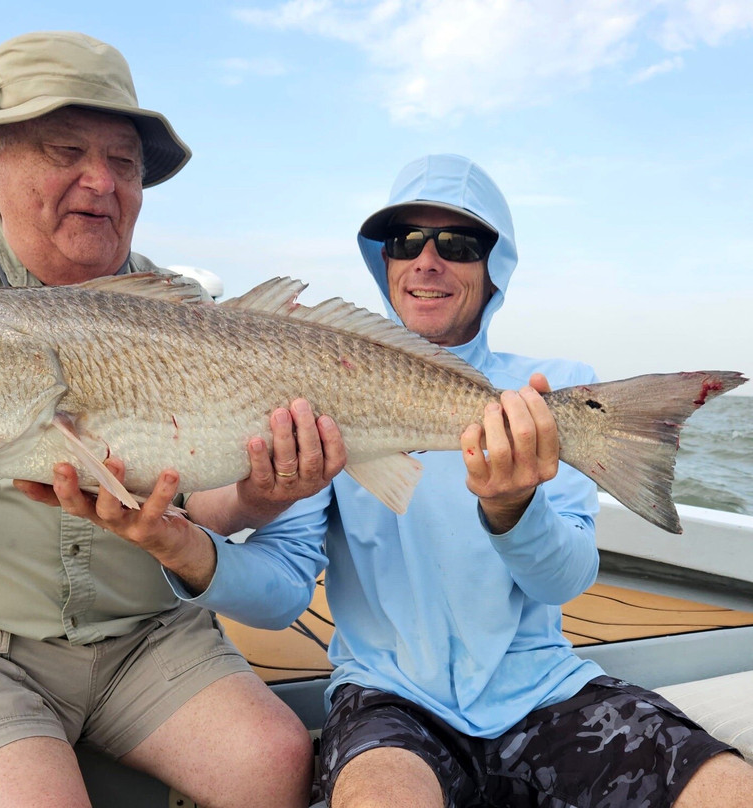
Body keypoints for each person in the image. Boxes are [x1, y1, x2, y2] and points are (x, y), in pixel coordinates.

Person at [0, 31, 344, 808]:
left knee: (275, 762)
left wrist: (264, 495)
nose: (99, 182)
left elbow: (196, 501)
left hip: (143, 636)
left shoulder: (183, 311)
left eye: (122, 161)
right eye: (64, 150)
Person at [147, 154, 753, 807]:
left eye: (459, 244)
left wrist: (513, 507)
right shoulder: (313, 391)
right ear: (383, 261)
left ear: (497, 267)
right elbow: (281, 599)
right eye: (404, 241)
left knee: (728, 789)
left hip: (544, 688)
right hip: (386, 699)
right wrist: (188, 552)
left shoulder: (545, 387)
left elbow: (566, 579)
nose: (427, 261)